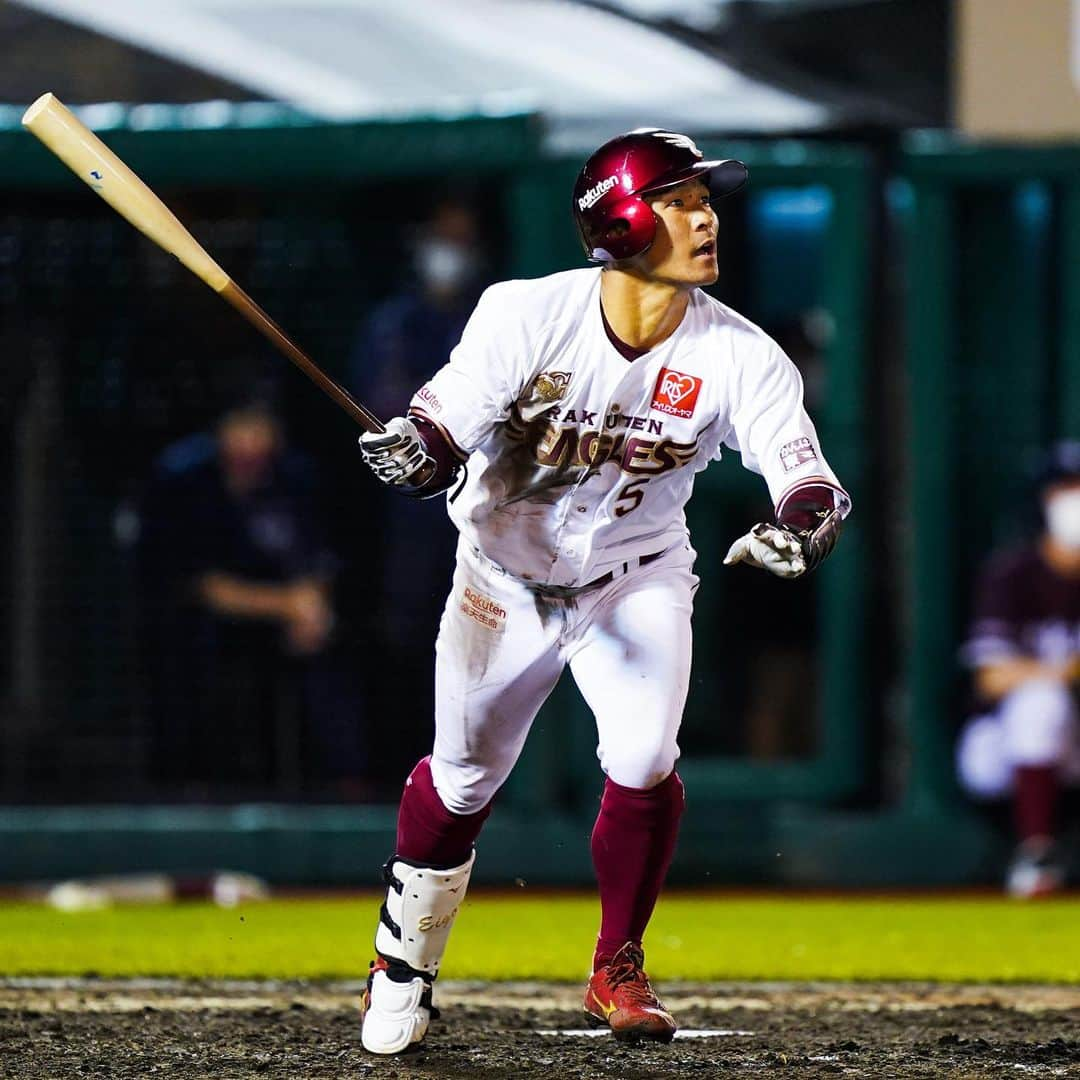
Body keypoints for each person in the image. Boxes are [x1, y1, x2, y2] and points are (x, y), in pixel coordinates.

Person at [355, 128, 851, 1054]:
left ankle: (616, 963)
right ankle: (404, 964)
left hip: (636, 575)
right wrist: (419, 452)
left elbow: (806, 477)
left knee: (644, 756)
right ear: (621, 219)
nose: (706, 217)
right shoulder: (525, 313)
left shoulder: (740, 353)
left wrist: (801, 528)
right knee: (461, 782)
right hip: (501, 581)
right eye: (679, 201)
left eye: (705, 200)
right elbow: (447, 417)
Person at [137, 396, 363, 792]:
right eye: (240, 430)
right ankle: (194, 788)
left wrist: (310, 605)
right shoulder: (184, 482)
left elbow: (318, 560)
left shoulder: (296, 476)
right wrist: (288, 606)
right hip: (198, 627)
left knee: (329, 649)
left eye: (261, 430)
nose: (250, 444)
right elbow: (204, 588)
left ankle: (340, 785)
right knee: (202, 663)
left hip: (280, 624)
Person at [349, 201, 486, 783]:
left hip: (486, 517)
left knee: (482, 654)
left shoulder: (491, 319)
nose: (449, 253)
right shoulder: (394, 323)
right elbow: (382, 403)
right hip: (409, 519)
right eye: (441, 238)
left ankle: (474, 778)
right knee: (407, 642)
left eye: (462, 239)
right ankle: (394, 774)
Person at [957, 441, 1080, 897]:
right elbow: (991, 677)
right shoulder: (1014, 573)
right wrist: (1065, 673)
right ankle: (1037, 855)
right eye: (1067, 488)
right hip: (1002, 747)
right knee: (1041, 703)